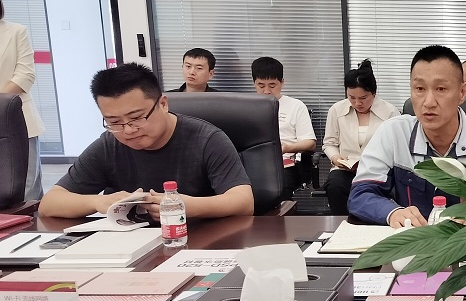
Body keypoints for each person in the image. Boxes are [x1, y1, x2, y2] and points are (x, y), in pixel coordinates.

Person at [39, 63, 253, 219]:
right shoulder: (109, 145)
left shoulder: (207, 139)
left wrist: (187, 206)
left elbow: (243, 201)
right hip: (129, 247)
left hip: (197, 241)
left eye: (137, 118)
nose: (128, 130)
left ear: (163, 104)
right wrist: (98, 201)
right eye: (114, 122)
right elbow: (49, 204)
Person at [349, 45, 466, 227]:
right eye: (419, 88)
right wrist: (392, 213)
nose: (429, 102)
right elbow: (361, 194)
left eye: (441, 89)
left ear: (462, 92)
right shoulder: (393, 133)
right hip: (415, 239)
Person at [322, 59, 399, 215]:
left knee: (378, 191)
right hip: (346, 169)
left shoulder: (390, 112)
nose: (357, 103)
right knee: (335, 185)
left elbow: (398, 147)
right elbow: (329, 143)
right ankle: (341, 223)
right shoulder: (336, 110)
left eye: (363, 98)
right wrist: (335, 158)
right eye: (351, 97)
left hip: (377, 170)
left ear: (374, 93)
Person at [251, 56, 317, 200]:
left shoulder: (296, 106)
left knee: (277, 188)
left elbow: (310, 143)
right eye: (261, 85)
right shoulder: (246, 107)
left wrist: (287, 148)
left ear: (282, 82)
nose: (266, 91)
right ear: (254, 83)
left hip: (285, 165)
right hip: (253, 164)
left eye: (272, 85)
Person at [0, 0, 45, 202]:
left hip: (17, 117)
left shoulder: (16, 31)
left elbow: (25, 75)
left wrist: (2, 106)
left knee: (26, 186)